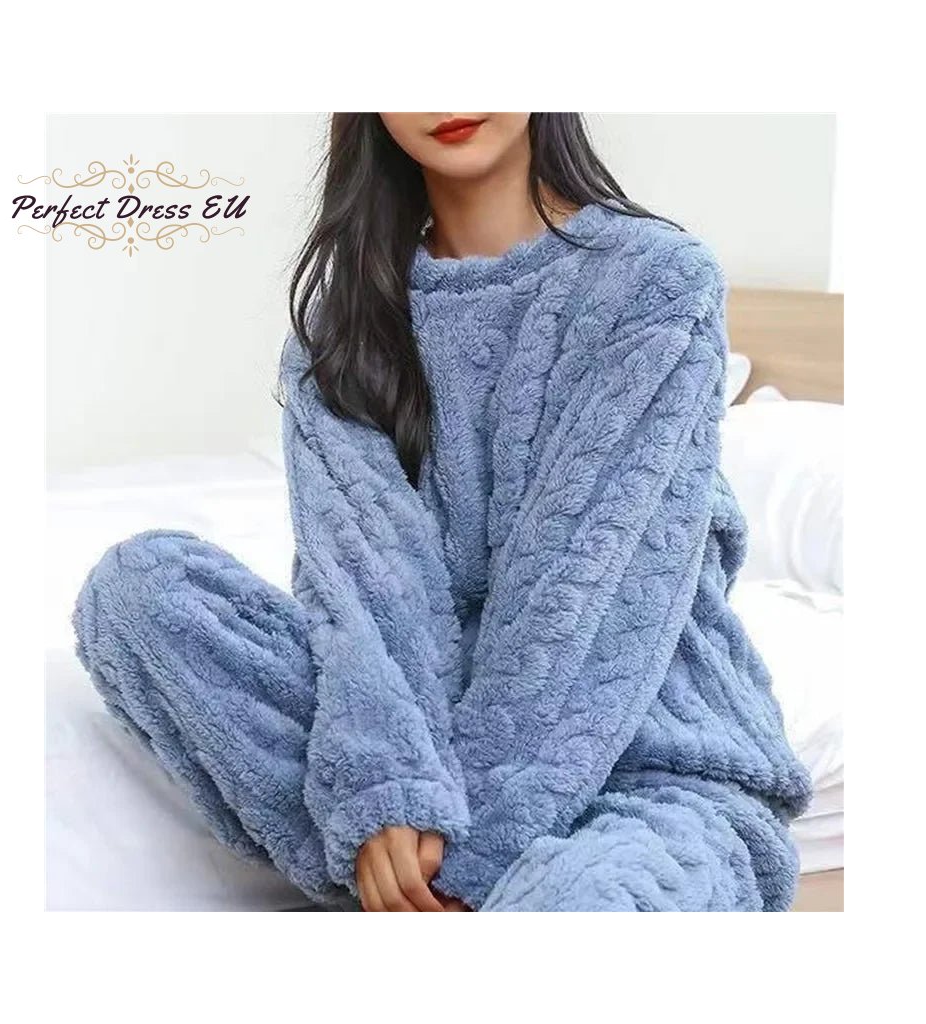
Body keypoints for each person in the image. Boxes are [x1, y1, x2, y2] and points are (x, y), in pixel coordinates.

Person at [74, 113, 811, 912]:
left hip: (652, 771)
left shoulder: (655, 282)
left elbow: (581, 601)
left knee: (582, 903)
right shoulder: (340, 331)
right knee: (139, 590)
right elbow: (367, 594)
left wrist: (468, 855)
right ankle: (398, 863)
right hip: (427, 766)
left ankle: (418, 888)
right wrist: (386, 792)